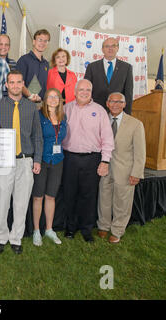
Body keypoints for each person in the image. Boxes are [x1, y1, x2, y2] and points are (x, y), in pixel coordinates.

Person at [0, 70, 43, 255]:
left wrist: (36, 160)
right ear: (6, 85)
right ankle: (0, 238)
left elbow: (37, 135)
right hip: (3, 161)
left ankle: (16, 238)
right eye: (11, 82)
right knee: (2, 203)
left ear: (23, 85)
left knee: (21, 203)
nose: (15, 86)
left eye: (18, 82)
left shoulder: (31, 107)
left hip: (25, 161)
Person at [62, 79, 114, 243]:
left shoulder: (99, 111)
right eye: (81, 89)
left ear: (91, 92)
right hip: (69, 158)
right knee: (69, 194)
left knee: (88, 196)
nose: (84, 92)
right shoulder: (66, 109)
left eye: (88, 90)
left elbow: (107, 138)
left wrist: (105, 161)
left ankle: (86, 229)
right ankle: (70, 228)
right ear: (75, 92)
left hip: (92, 159)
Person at [97, 92, 146, 243]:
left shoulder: (135, 124)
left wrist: (136, 172)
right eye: (112, 101)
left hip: (125, 171)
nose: (115, 104)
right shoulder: (101, 119)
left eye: (119, 102)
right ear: (107, 103)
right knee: (103, 199)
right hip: (105, 167)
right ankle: (103, 226)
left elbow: (140, 152)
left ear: (125, 104)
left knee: (122, 202)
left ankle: (117, 230)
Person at [31, 88, 67, 246]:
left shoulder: (63, 117)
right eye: (50, 97)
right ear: (44, 100)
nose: (53, 99)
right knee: (38, 196)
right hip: (42, 160)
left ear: (60, 100)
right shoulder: (39, 116)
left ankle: (49, 229)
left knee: (51, 196)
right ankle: (36, 230)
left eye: (56, 97)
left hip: (58, 160)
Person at [84, 37, 134, 114]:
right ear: (102, 49)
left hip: (117, 111)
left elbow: (128, 93)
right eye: (107, 46)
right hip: (95, 110)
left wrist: (127, 114)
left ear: (117, 48)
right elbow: (86, 90)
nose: (110, 49)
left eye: (113, 46)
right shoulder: (92, 67)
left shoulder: (126, 67)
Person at [16, 29, 51, 102]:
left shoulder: (46, 64)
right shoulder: (24, 60)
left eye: (45, 41)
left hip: (41, 105)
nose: (42, 43)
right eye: (40, 40)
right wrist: (30, 95)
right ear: (34, 42)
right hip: (25, 104)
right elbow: (18, 82)